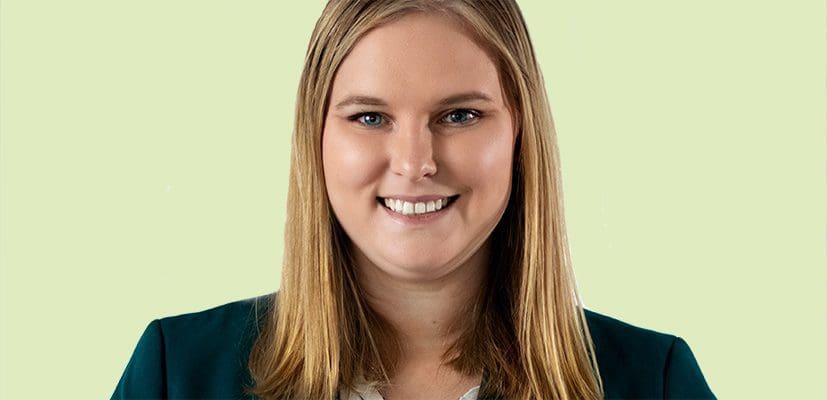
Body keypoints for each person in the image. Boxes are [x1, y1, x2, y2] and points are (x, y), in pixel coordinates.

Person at [112, 1, 716, 399]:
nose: (414, 161)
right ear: (316, 140)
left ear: (519, 135)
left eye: (460, 114)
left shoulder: (652, 381)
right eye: (370, 116)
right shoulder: (178, 374)